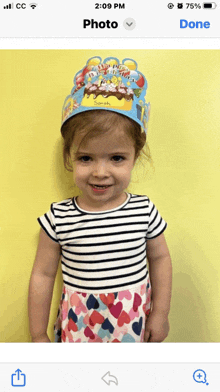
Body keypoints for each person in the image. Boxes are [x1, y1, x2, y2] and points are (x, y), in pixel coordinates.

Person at [28, 56, 172, 343]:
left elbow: (161, 258)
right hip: (79, 329)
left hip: (133, 325)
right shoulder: (58, 218)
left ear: (136, 154)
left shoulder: (143, 211)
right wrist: (37, 334)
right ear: (69, 155)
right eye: (85, 158)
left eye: (116, 158)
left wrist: (161, 314)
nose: (100, 172)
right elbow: (42, 276)